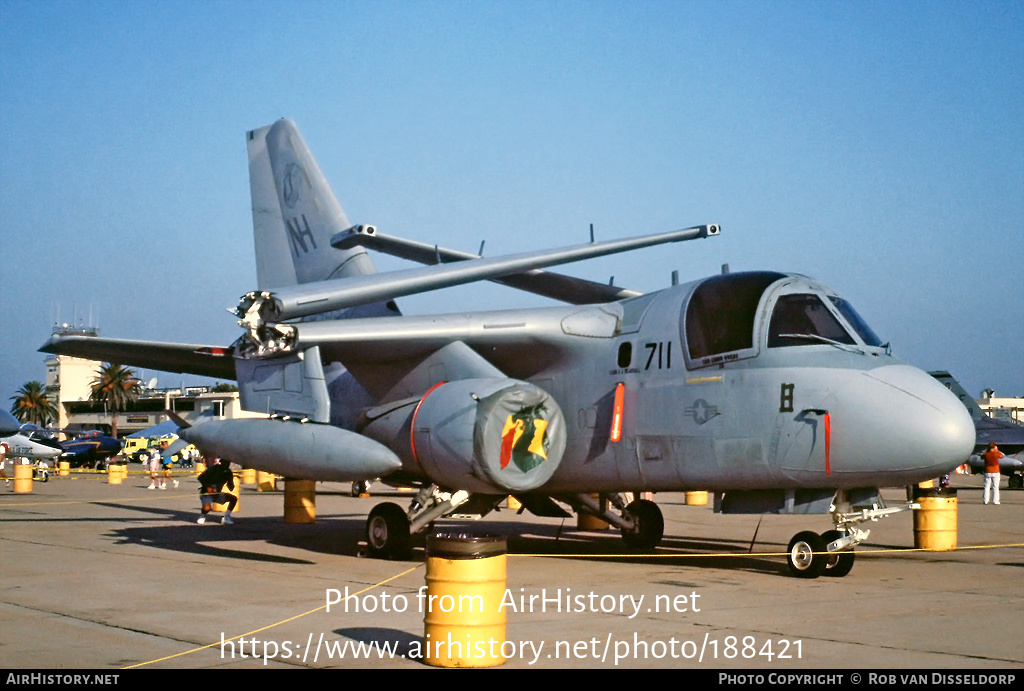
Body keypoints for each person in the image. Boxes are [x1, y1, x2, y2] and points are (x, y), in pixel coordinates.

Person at [196, 457, 236, 524]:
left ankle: (226, 517)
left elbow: (231, 487)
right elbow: (200, 478)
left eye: (228, 463)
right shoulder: (214, 468)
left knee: (233, 499)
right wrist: (208, 486)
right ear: (221, 462)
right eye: (225, 462)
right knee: (207, 508)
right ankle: (202, 516)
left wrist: (231, 483)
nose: (226, 464)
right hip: (206, 493)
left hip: (217, 493)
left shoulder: (228, 472)